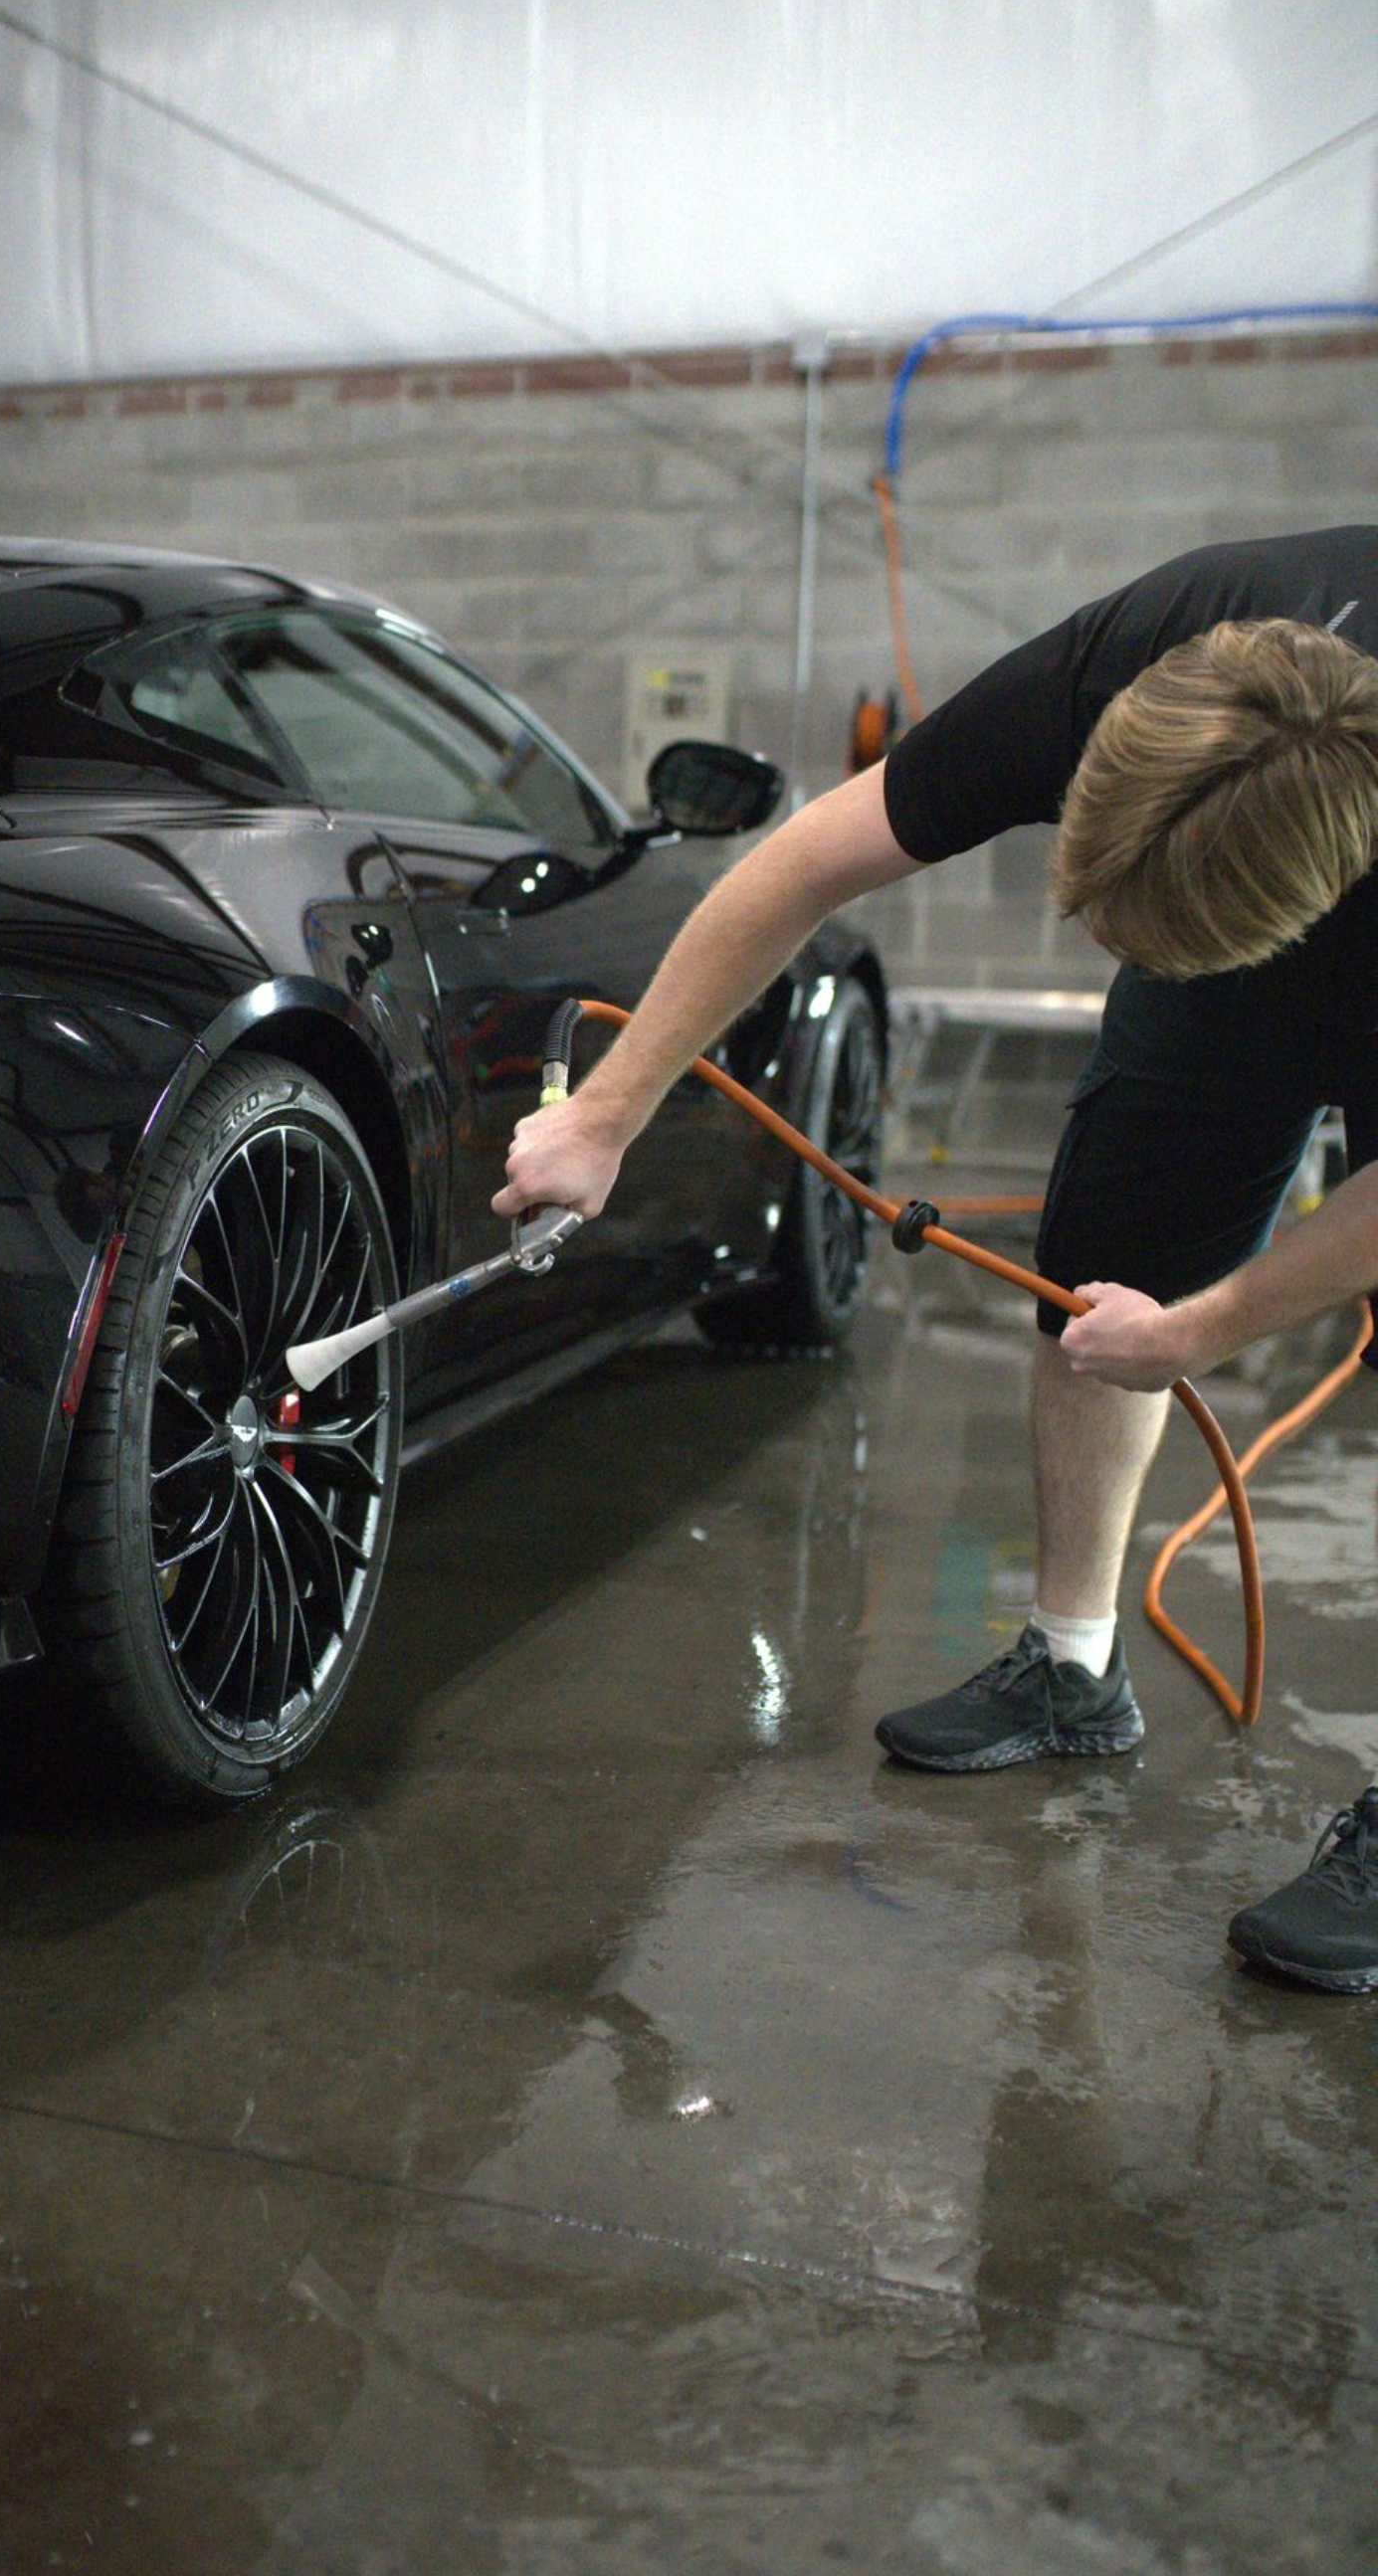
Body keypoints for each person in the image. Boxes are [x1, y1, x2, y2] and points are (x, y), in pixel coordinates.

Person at [492, 526, 1378, 1993]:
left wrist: (1209, 1330)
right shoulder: (1127, 665)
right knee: (1108, 1259)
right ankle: (1073, 1669)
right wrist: (605, 1112)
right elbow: (805, 862)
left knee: (1170, 1315)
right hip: (1252, 880)